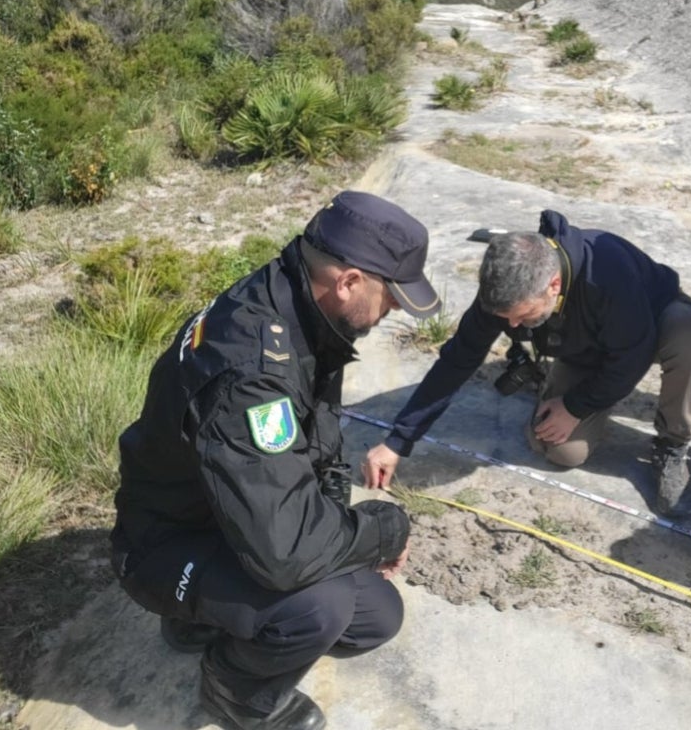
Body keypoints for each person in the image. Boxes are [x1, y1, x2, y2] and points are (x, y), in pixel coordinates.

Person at [110, 191, 442, 730]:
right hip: (164, 543)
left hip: (229, 512)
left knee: (375, 617)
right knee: (320, 607)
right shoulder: (254, 369)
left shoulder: (300, 304)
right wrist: (383, 530)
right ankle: (233, 691)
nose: (396, 310)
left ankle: (210, 616)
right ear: (350, 281)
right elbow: (284, 554)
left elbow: (321, 443)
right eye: (392, 296)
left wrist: (340, 537)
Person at [363, 209, 691, 518]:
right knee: (563, 450)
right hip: (588, 352)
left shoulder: (608, 273)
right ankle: (573, 392)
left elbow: (633, 357)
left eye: (522, 316)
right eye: (507, 319)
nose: (512, 327)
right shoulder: (505, 293)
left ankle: (673, 444)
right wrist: (398, 440)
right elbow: (458, 359)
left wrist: (575, 405)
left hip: (654, 324)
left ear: (553, 285)